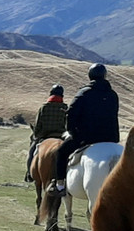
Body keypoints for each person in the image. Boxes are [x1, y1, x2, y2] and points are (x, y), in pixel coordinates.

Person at [51, 63, 120, 195]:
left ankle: (59, 186)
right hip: (111, 138)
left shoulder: (84, 93)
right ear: (105, 76)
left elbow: (71, 113)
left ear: (90, 76)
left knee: (61, 152)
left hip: (86, 138)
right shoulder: (113, 94)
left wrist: (72, 132)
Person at [25, 84, 67, 182]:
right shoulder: (65, 107)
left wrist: (36, 134)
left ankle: (29, 174)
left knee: (31, 152)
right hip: (61, 137)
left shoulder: (44, 108)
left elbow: (38, 125)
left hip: (45, 136)